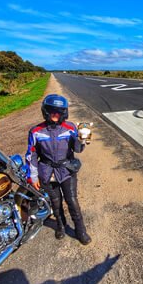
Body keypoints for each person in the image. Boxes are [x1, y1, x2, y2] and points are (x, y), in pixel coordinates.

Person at [26, 94, 92, 245]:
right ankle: (61, 226)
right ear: (45, 111)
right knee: (55, 202)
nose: (56, 114)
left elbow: (78, 149)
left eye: (59, 111)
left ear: (65, 112)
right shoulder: (36, 131)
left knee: (72, 201)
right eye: (52, 110)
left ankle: (80, 230)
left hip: (67, 169)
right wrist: (34, 177)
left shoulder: (70, 127)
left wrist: (83, 139)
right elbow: (31, 155)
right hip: (47, 171)